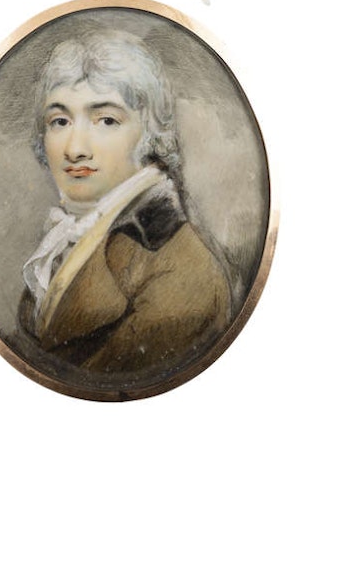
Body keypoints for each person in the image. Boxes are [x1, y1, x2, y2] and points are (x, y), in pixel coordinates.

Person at [18, 29, 232, 375]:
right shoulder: (68, 239)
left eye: (106, 120)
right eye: (60, 121)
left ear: (149, 132)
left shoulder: (180, 269)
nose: (75, 149)